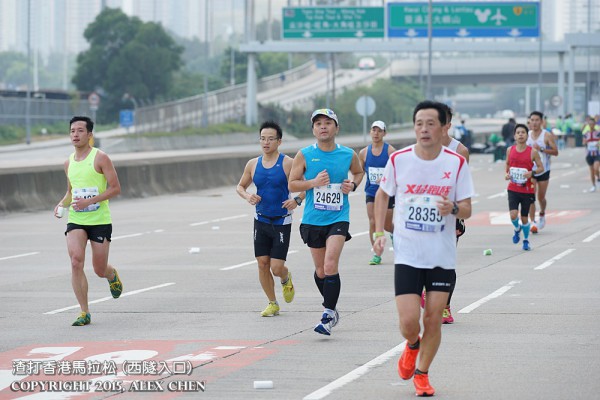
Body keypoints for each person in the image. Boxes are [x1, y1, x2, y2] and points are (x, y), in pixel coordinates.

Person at [373, 100, 474, 397]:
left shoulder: (456, 162)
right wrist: (378, 231)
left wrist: (452, 208)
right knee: (408, 322)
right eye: (419, 123)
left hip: (441, 255)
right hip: (408, 253)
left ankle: (422, 374)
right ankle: (412, 344)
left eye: (431, 123)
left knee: (433, 319)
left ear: (444, 128)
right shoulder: (399, 160)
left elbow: (467, 209)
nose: (424, 129)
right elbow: (382, 195)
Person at [288, 108, 364, 336]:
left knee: (330, 265)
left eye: (328, 123)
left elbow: (359, 173)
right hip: (313, 219)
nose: (323, 126)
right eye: (318, 123)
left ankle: (328, 314)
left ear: (336, 128)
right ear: (313, 129)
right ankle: (331, 305)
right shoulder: (304, 154)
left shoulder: (348, 154)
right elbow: (292, 183)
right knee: (321, 271)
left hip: (338, 217)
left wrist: (353, 185)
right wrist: (313, 182)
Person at [54, 116, 123, 326]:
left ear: (90, 134)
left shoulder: (100, 158)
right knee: (76, 261)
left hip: (99, 220)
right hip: (77, 219)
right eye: (72, 131)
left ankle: (111, 275)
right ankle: (84, 312)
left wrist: (90, 201)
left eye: (80, 131)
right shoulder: (68, 163)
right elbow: (70, 192)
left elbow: (115, 188)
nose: (75, 134)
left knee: (99, 269)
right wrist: (61, 204)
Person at [236, 121, 299, 317]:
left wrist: (296, 200)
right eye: (263, 138)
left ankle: (285, 277)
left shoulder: (288, 163)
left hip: (281, 220)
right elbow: (240, 187)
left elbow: (306, 185)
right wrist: (248, 196)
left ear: (279, 141)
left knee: (276, 267)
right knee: (262, 263)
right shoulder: (253, 164)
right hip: (261, 219)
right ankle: (272, 303)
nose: (266, 142)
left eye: (271, 139)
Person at [358, 120, 396, 265]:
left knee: (386, 225)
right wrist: (353, 184)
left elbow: (398, 171)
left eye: (379, 131)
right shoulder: (364, 153)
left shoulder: (390, 151)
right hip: (371, 192)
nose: (376, 133)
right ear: (370, 132)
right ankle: (376, 253)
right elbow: (359, 172)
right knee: (373, 221)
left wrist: (386, 178)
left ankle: (395, 233)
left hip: (387, 193)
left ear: (384, 133)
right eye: (374, 130)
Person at [505, 124, 544, 251]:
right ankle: (517, 229)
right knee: (513, 215)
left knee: (524, 218)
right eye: (518, 132)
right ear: (514, 136)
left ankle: (526, 240)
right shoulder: (510, 150)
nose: (520, 134)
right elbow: (508, 164)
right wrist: (507, 174)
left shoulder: (533, 152)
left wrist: (532, 173)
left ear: (527, 136)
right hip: (513, 188)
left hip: (527, 189)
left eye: (523, 132)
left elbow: (541, 167)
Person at [526, 111, 559, 233]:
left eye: (537, 120)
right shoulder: (527, 135)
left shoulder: (546, 135)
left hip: (544, 170)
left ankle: (542, 213)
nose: (534, 122)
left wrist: (541, 149)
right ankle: (532, 222)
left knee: (541, 197)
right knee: (531, 196)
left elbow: (556, 152)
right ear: (529, 121)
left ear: (541, 121)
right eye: (532, 120)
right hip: (531, 171)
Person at [582, 116, 600, 192]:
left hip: (597, 153)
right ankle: (593, 185)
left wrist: (598, 144)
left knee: (596, 168)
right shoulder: (586, 133)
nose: (591, 125)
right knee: (592, 171)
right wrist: (585, 142)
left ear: (594, 124)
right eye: (590, 124)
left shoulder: (598, 133)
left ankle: (598, 178)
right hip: (589, 154)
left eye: (592, 124)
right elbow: (583, 142)